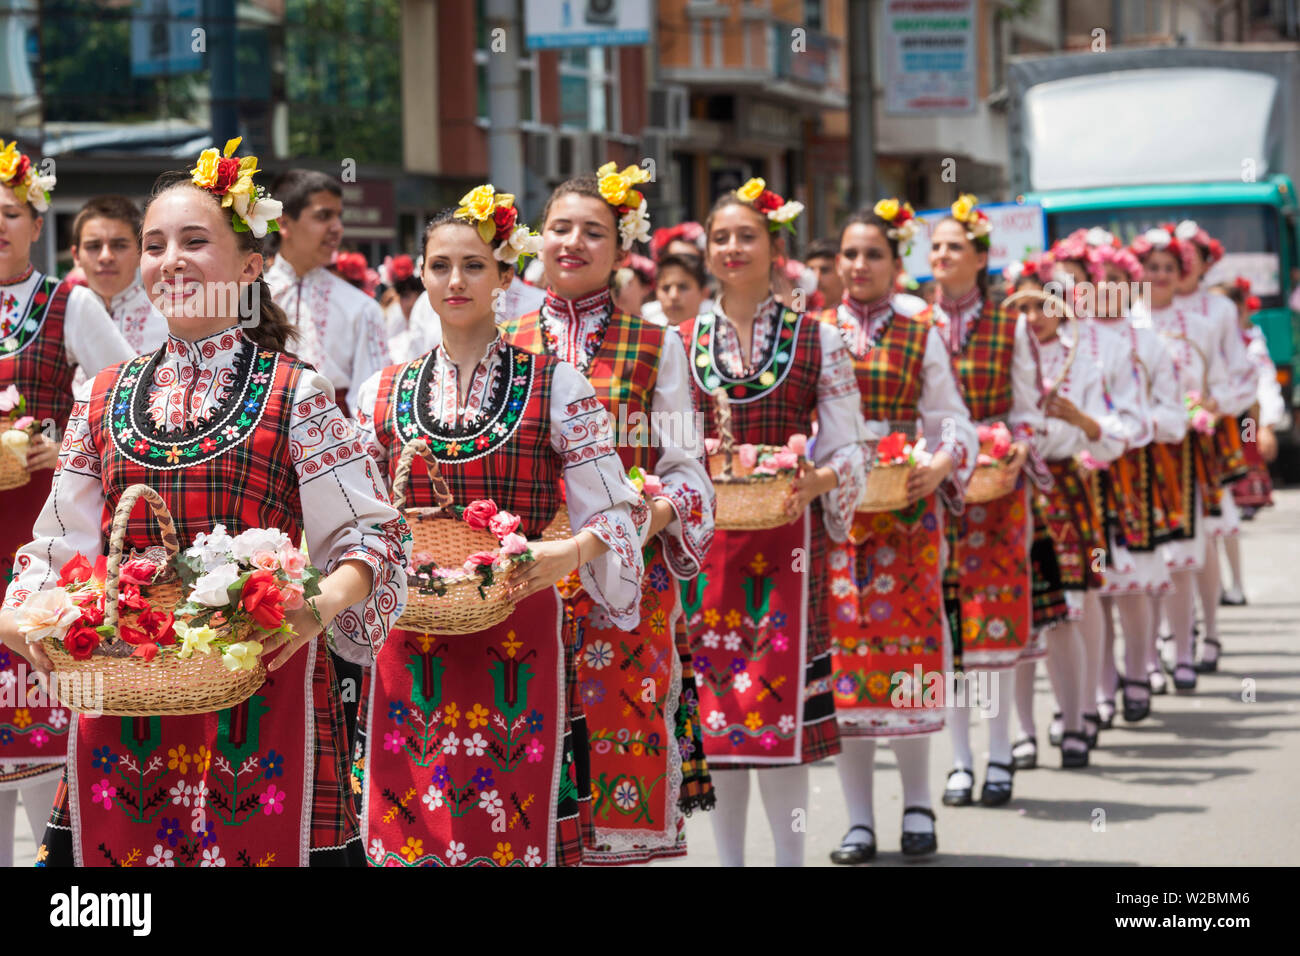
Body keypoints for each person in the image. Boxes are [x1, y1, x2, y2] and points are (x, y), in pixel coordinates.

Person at [0, 140, 410, 867]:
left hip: (259, 696)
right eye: (155, 245)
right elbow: (57, 548)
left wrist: (315, 607)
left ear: (250, 267)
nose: (169, 260)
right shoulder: (101, 395)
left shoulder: (293, 392)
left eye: (196, 241)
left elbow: (371, 540)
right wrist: (23, 614)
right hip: (123, 698)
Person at [351, 184, 651, 867]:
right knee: (411, 816)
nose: (455, 281)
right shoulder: (380, 391)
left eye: (475, 265)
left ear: (507, 276)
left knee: (513, 810)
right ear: (420, 275)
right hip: (412, 629)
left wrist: (566, 554)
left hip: (518, 626)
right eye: (439, 266)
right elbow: (354, 517)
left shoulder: (557, 385)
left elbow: (613, 508)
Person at [503, 168, 716, 864]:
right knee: (517, 758)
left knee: (618, 751)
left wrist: (641, 523)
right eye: (561, 227)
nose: (573, 242)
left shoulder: (659, 345)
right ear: (538, 238)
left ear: (621, 250)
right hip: (522, 580)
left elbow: (687, 471)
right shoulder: (503, 339)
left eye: (593, 232)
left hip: (625, 589)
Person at [678, 177, 869, 866]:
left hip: (789, 541)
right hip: (703, 549)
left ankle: (790, 860)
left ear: (774, 247)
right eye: (720, 236)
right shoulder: (680, 340)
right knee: (717, 716)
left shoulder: (818, 340)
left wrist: (814, 478)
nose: (732, 247)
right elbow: (669, 447)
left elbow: (848, 445)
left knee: (782, 713)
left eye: (746, 236)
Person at [824, 199, 976, 862]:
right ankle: (859, 820)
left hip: (907, 518)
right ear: (836, 264)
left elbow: (953, 421)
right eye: (850, 254)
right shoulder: (814, 331)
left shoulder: (923, 331)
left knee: (909, 666)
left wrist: (939, 464)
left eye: (873, 254)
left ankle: (918, 804)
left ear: (895, 264)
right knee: (845, 673)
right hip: (834, 523)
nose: (860, 266)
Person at [0, 141, 135, 866]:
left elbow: (122, 394)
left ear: (33, 222)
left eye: (10, 212)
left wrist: (64, 447)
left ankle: (61, 861)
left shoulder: (69, 302)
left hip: (37, 534)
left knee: (44, 708)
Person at [918, 195, 1047, 808]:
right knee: (945, 629)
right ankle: (959, 759)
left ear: (981, 257)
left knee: (993, 628)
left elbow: (1026, 411)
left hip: (995, 492)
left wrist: (1018, 445)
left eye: (953, 247)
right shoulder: (914, 321)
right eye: (935, 246)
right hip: (930, 490)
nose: (941, 255)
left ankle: (999, 753)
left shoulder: (1011, 324)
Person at [1007, 265, 1126, 767]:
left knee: (1074, 602)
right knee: (1013, 610)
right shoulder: (998, 355)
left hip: (1065, 487)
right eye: (1022, 306)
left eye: (1043, 305)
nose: (1033, 317)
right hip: (1009, 488)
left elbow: (1114, 433)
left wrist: (1077, 419)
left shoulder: (1084, 359)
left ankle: (1077, 716)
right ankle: (1021, 731)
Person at [1129, 227, 1240, 692]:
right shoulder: (1126, 321)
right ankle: (1148, 655)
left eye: (1168, 269)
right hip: (1134, 455)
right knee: (1144, 554)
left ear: (1183, 273)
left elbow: (1229, 375)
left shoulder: (1201, 322)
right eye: (1150, 268)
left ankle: (1194, 643)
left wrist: (1210, 406)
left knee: (1191, 548)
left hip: (1186, 451)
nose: (1159, 276)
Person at [1087, 239, 1185, 723]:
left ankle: (1138, 671)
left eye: (1115, 281)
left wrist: (1131, 429)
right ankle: (1102, 685)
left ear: (1130, 287)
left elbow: (1174, 416)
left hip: (1132, 476)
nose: (1105, 289)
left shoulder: (1146, 341)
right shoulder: (1073, 336)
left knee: (1134, 584)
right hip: (1084, 477)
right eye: (1096, 280)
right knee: (1095, 586)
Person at [1171, 222, 1257, 671]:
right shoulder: (1141, 310)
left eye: (1188, 259)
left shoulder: (1218, 310)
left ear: (1205, 263)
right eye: (1168, 261)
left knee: (1203, 534)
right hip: (1158, 441)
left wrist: (1216, 403)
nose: (1178, 270)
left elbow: (1244, 374)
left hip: (1204, 437)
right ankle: (1171, 636)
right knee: (1162, 541)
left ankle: (1211, 635)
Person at [264, 170, 392, 416]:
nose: (337, 228)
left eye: (338, 217)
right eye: (324, 216)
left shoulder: (361, 307)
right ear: (283, 223)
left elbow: (372, 402)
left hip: (340, 442)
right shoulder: (250, 300)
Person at [1216, 280, 1281, 601]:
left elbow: (1263, 383)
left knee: (1223, 510)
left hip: (1236, 427)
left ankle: (1236, 584)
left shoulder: (1248, 341)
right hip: (1196, 434)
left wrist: (1265, 425)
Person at [69, 195, 166, 358]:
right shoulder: (60, 319)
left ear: (140, 253)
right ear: (76, 256)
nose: (106, 256)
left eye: (119, 246)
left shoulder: (169, 321)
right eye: (93, 246)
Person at [651, 252, 708, 328]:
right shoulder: (644, 336)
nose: (673, 296)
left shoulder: (720, 336)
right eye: (666, 288)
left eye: (683, 287)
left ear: (703, 293)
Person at [804, 238, 843, 309]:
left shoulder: (860, 317)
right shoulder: (799, 315)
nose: (816, 278)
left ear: (842, 271)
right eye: (810, 270)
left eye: (824, 270)